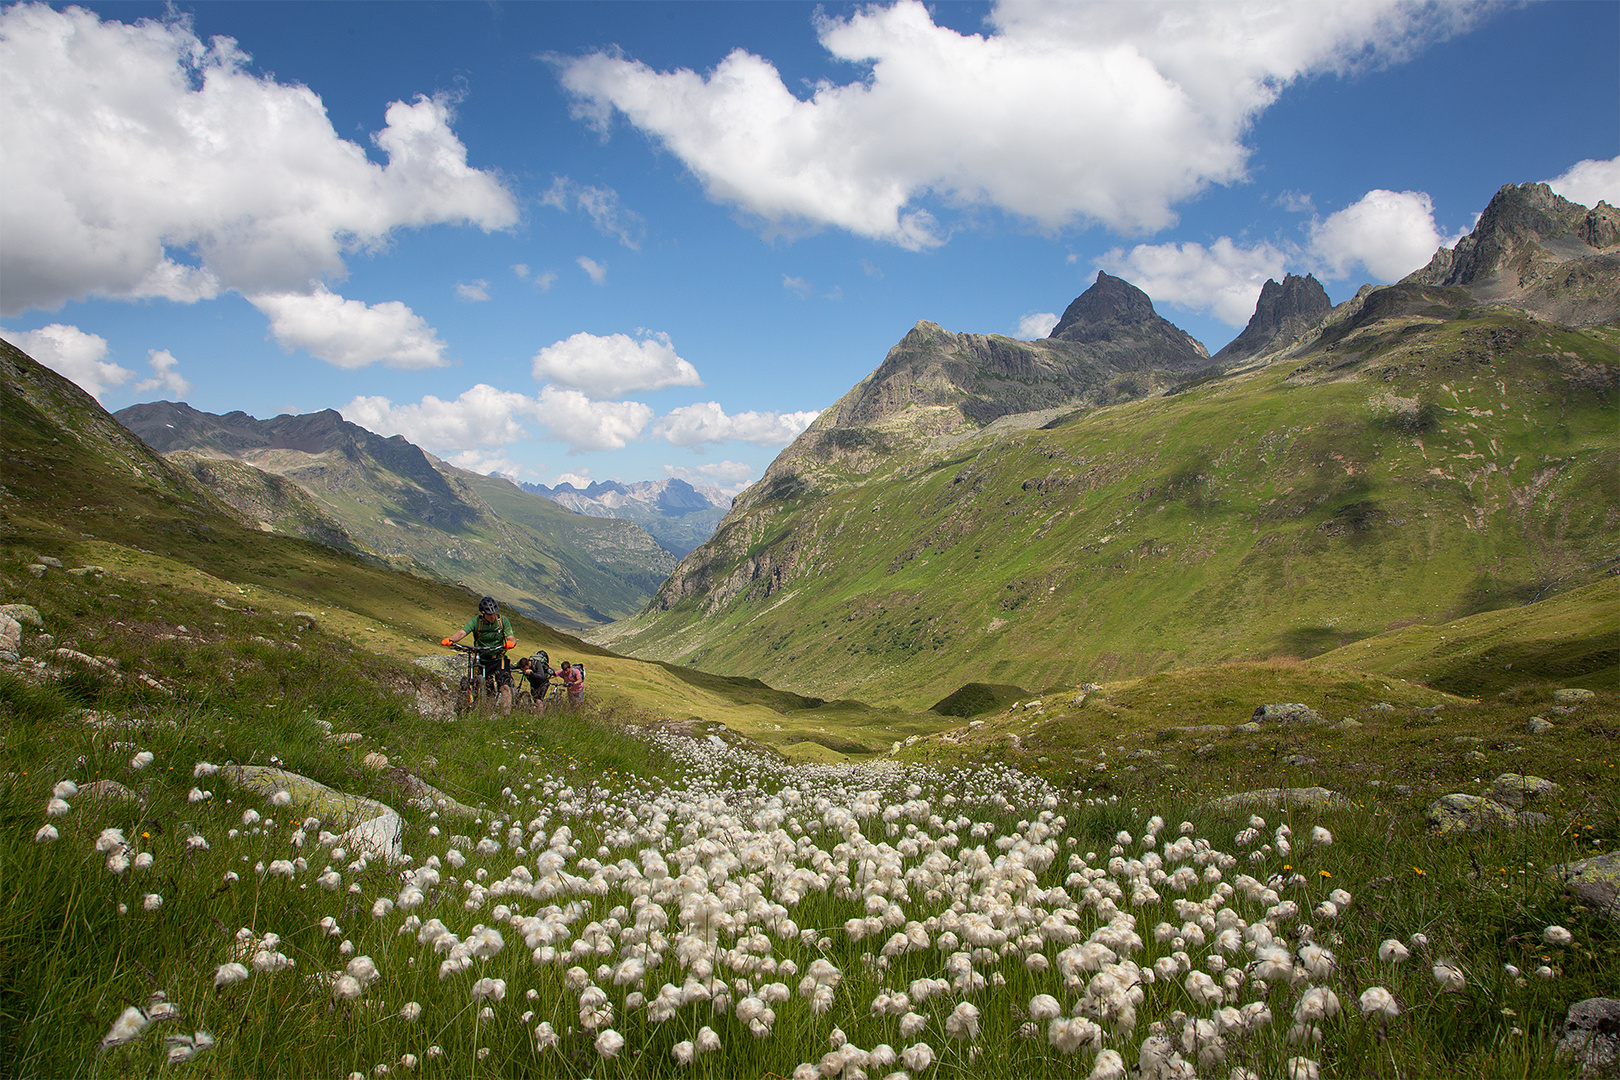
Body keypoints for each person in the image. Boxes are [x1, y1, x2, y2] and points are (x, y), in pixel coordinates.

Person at [441, 596, 516, 715]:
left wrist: (511, 642)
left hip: (498, 659)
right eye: (489, 614)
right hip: (482, 658)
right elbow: (462, 632)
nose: (492, 617)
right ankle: (483, 713)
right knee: (485, 688)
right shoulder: (476, 622)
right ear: (483, 613)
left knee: (505, 687)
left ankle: (505, 716)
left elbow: (510, 636)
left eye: (493, 614)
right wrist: (451, 640)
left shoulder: (503, 621)